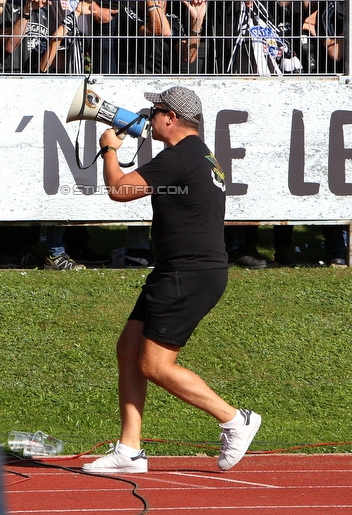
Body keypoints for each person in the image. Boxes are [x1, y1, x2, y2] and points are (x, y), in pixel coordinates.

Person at [83, 86, 261, 474]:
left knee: (155, 365)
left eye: (155, 109)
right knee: (129, 348)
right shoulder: (197, 154)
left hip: (188, 272)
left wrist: (110, 148)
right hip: (181, 269)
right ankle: (129, 450)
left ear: (172, 118)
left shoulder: (179, 157)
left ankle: (234, 419)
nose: (149, 114)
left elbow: (119, 190)